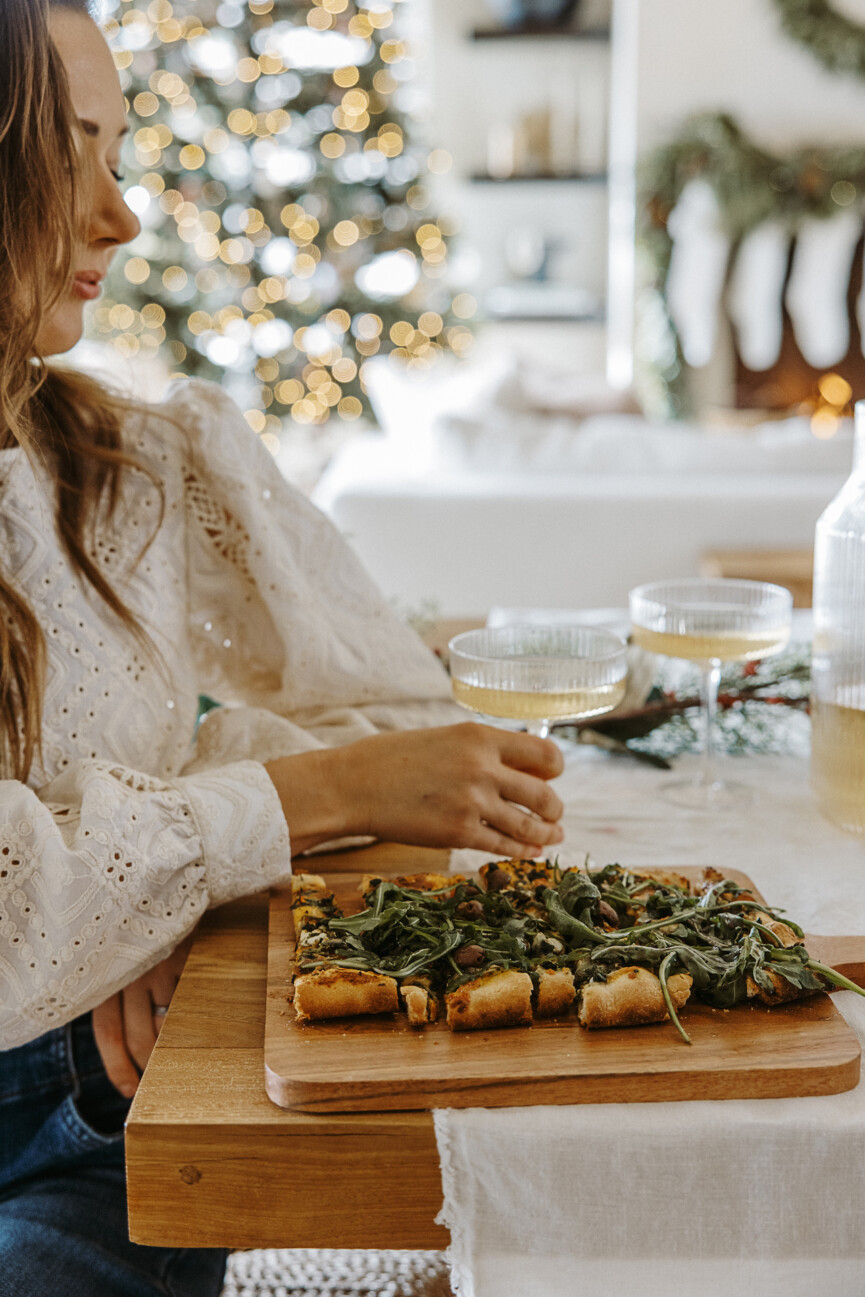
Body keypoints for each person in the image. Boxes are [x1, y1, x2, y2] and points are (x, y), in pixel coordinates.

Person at [0, 1, 566, 1292]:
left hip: (91, 1127)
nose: (120, 215)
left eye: (120, 152)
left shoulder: (130, 469)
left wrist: (172, 897)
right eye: (70, 150)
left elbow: (379, 704)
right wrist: (299, 802)